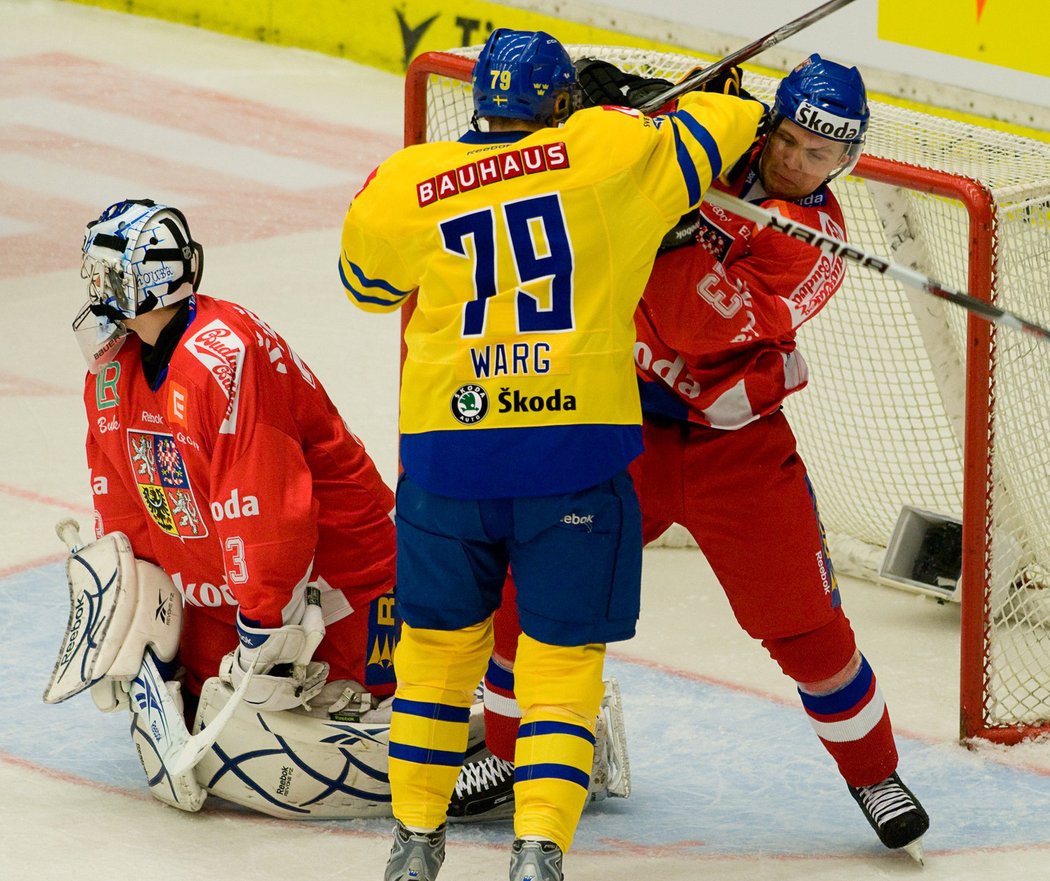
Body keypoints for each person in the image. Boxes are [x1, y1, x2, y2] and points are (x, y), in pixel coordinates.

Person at [465, 55, 931, 862]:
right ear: (770, 125)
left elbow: (690, 322)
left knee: (804, 624)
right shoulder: (713, 141)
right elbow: (581, 165)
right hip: (621, 428)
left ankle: (875, 772)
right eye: (787, 140)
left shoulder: (813, 244)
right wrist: (627, 119)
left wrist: (662, 213)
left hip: (737, 452)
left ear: (843, 162)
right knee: (534, 590)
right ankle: (506, 751)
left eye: (818, 157)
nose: (795, 162)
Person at [338, 27, 763, 881]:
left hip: (449, 461)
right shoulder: (610, 150)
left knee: (433, 655)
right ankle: (538, 855)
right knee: (561, 669)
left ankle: (415, 844)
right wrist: (639, 95)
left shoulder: (407, 180)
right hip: (572, 458)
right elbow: (734, 117)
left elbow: (366, 284)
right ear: (561, 103)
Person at [62, 197, 402, 815]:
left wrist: (264, 630)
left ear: (137, 282)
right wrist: (136, 605)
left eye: (102, 274)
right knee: (206, 730)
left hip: (337, 585)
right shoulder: (111, 371)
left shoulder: (224, 356)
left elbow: (265, 503)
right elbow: (123, 496)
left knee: (363, 721)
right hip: (220, 590)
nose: (93, 289)